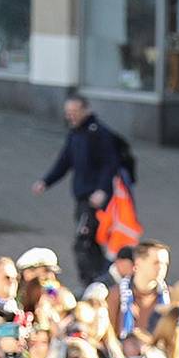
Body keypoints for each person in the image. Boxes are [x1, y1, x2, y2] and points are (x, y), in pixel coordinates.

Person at [35, 96, 130, 281]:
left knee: (83, 242)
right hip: (82, 198)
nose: (70, 116)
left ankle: (92, 281)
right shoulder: (75, 133)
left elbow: (110, 165)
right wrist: (46, 182)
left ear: (86, 110)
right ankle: (104, 279)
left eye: (74, 111)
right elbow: (64, 161)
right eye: (68, 112)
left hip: (95, 200)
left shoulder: (99, 134)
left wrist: (102, 190)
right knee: (90, 242)